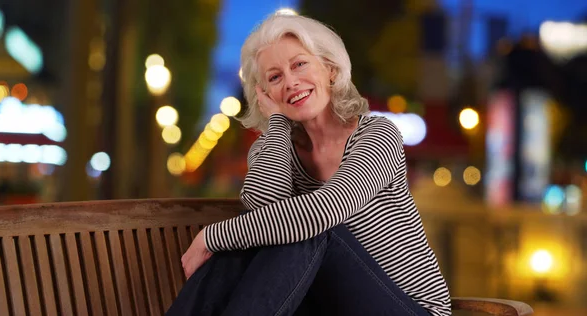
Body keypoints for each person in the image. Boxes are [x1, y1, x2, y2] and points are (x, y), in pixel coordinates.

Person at [167, 14, 451, 316]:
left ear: (329, 69)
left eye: (299, 64)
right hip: (329, 303)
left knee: (313, 227)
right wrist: (277, 123)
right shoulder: (272, 148)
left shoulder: (377, 134)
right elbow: (265, 213)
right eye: (274, 78)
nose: (290, 82)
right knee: (273, 234)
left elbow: (325, 210)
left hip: (412, 308)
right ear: (263, 95)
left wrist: (213, 237)